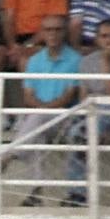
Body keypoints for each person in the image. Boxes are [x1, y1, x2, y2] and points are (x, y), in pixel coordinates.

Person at [63, 18, 110, 206]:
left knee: (80, 132)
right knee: (72, 125)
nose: (109, 40)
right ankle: (77, 192)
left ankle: (78, 194)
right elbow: (83, 97)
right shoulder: (86, 62)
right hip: (95, 110)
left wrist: (106, 61)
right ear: (96, 39)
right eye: (104, 36)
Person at [15, 13, 81, 206]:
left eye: (57, 30)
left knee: (35, 121)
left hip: (65, 117)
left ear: (65, 33)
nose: (52, 34)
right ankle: (36, 193)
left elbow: (68, 96)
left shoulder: (75, 60)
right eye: (48, 30)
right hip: (40, 117)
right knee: (36, 132)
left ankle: (10, 154)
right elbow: (28, 95)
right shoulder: (34, 61)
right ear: (42, 33)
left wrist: (44, 111)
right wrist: (42, 111)